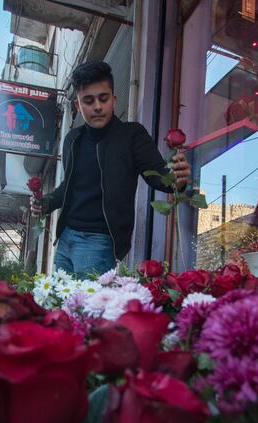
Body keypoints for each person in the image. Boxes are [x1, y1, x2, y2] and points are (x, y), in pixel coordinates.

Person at [30, 60, 192, 276]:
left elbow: (159, 177)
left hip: (99, 241)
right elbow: (67, 189)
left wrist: (177, 179)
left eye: (103, 98)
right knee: (61, 305)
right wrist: (44, 203)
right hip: (66, 238)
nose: (97, 106)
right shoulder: (72, 139)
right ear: (78, 106)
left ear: (114, 100)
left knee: (88, 309)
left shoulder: (131, 135)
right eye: (88, 100)